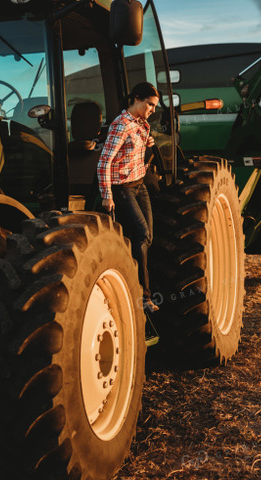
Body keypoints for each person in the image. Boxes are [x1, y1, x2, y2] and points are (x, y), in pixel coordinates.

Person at [98, 82, 160, 312]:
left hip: (139, 184)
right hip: (121, 188)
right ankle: (143, 297)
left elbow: (133, 149)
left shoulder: (141, 124)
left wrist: (148, 142)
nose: (152, 110)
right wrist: (107, 195)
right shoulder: (120, 125)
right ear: (136, 99)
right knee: (141, 234)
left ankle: (132, 283)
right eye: (149, 104)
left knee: (148, 237)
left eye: (154, 106)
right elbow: (104, 162)